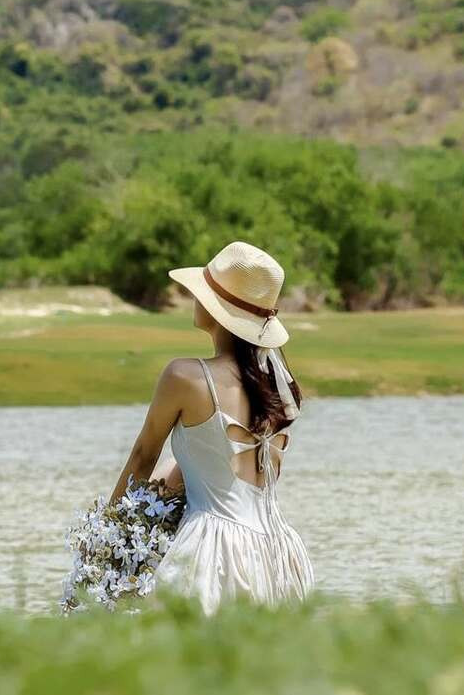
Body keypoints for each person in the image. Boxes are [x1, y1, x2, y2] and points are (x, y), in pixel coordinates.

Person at [108, 240, 314, 613]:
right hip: (278, 551)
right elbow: (217, 466)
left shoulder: (184, 376)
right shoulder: (278, 388)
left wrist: (108, 535)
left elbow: (142, 457)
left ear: (219, 311)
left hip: (214, 546)